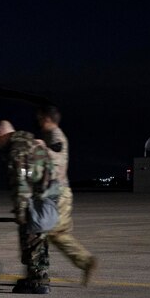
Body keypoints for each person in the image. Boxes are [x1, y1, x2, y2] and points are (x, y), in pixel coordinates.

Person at [36, 105, 98, 286]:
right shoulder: (51, 135)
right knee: (49, 232)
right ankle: (39, 271)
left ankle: (85, 261)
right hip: (57, 192)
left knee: (51, 232)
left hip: (58, 193)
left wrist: (42, 148)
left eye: (40, 118)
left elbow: (57, 159)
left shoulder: (56, 136)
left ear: (47, 118)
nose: (38, 122)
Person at [0, 120, 55, 294]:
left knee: (31, 239)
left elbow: (21, 182)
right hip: (45, 198)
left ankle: (37, 282)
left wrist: (21, 210)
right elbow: (50, 170)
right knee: (40, 239)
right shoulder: (34, 143)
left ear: (1, 135)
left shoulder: (17, 150)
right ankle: (39, 276)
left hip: (31, 201)